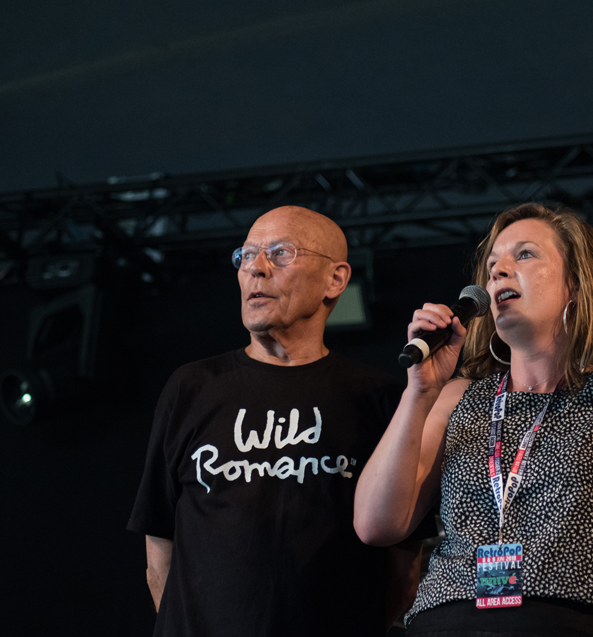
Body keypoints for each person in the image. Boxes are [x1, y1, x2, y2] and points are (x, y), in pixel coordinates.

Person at [354, 0, 593, 637]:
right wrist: (418, 394)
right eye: (492, 262)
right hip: (445, 624)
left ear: (575, 286)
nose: (498, 270)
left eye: (525, 254)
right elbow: (378, 523)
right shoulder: (456, 397)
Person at [128, 206, 423, 636]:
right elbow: (159, 540)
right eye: (246, 255)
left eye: (281, 253)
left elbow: (403, 560)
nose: (257, 268)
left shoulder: (380, 399)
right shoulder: (191, 387)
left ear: (335, 279)